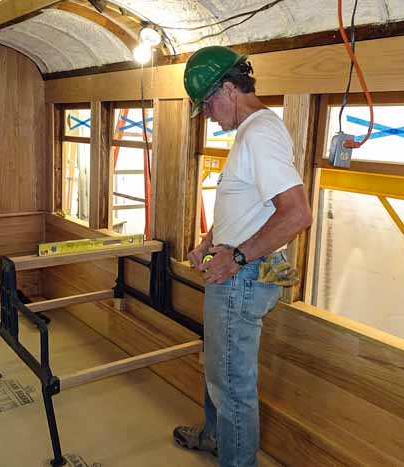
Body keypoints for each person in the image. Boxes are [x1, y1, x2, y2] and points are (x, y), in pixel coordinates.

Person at [173, 46, 312, 466]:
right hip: (237, 273)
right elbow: (245, 205)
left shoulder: (261, 134)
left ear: (230, 89)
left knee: (232, 384)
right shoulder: (250, 133)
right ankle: (217, 436)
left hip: (242, 279)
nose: (210, 116)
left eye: (209, 105)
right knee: (219, 368)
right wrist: (208, 242)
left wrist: (235, 258)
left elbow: (298, 214)